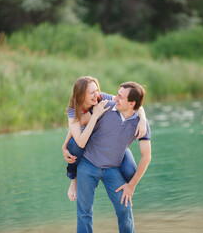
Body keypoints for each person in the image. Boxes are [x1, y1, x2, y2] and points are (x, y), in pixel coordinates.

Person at [62, 81, 151, 233]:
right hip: (88, 165)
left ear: (131, 103)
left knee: (125, 209)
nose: (115, 97)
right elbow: (78, 123)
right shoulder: (105, 105)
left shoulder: (141, 124)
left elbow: (146, 157)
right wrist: (65, 145)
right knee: (84, 213)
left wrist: (131, 186)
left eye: (120, 97)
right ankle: (73, 178)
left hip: (113, 169)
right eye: (117, 94)